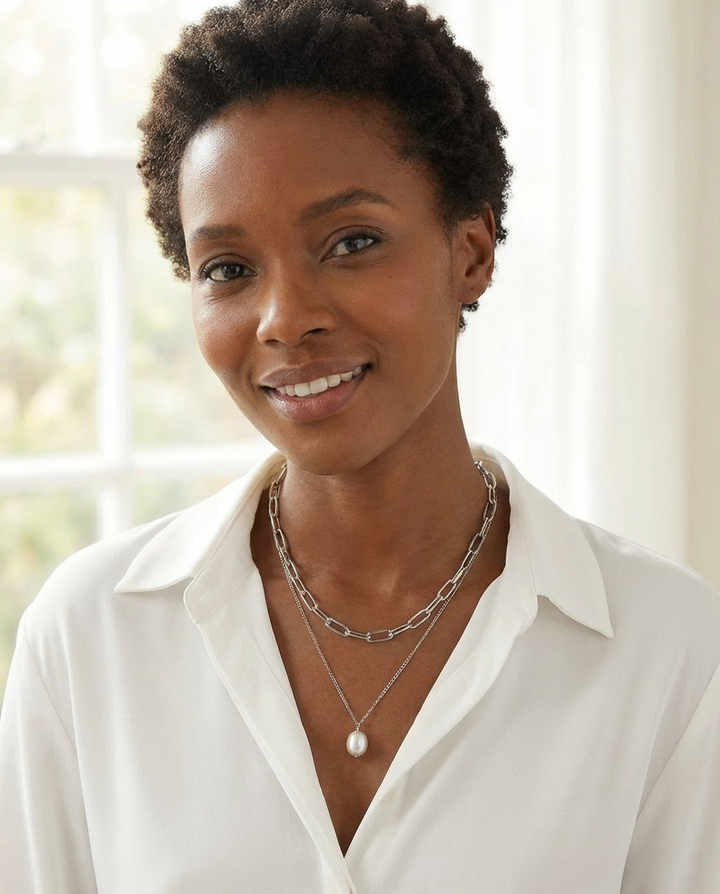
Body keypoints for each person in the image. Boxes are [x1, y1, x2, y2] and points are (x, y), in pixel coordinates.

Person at [1, 0, 719, 891]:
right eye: (228, 268)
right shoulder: (89, 637)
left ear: (472, 252)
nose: (285, 318)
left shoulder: (669, 650)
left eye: (351, 242)